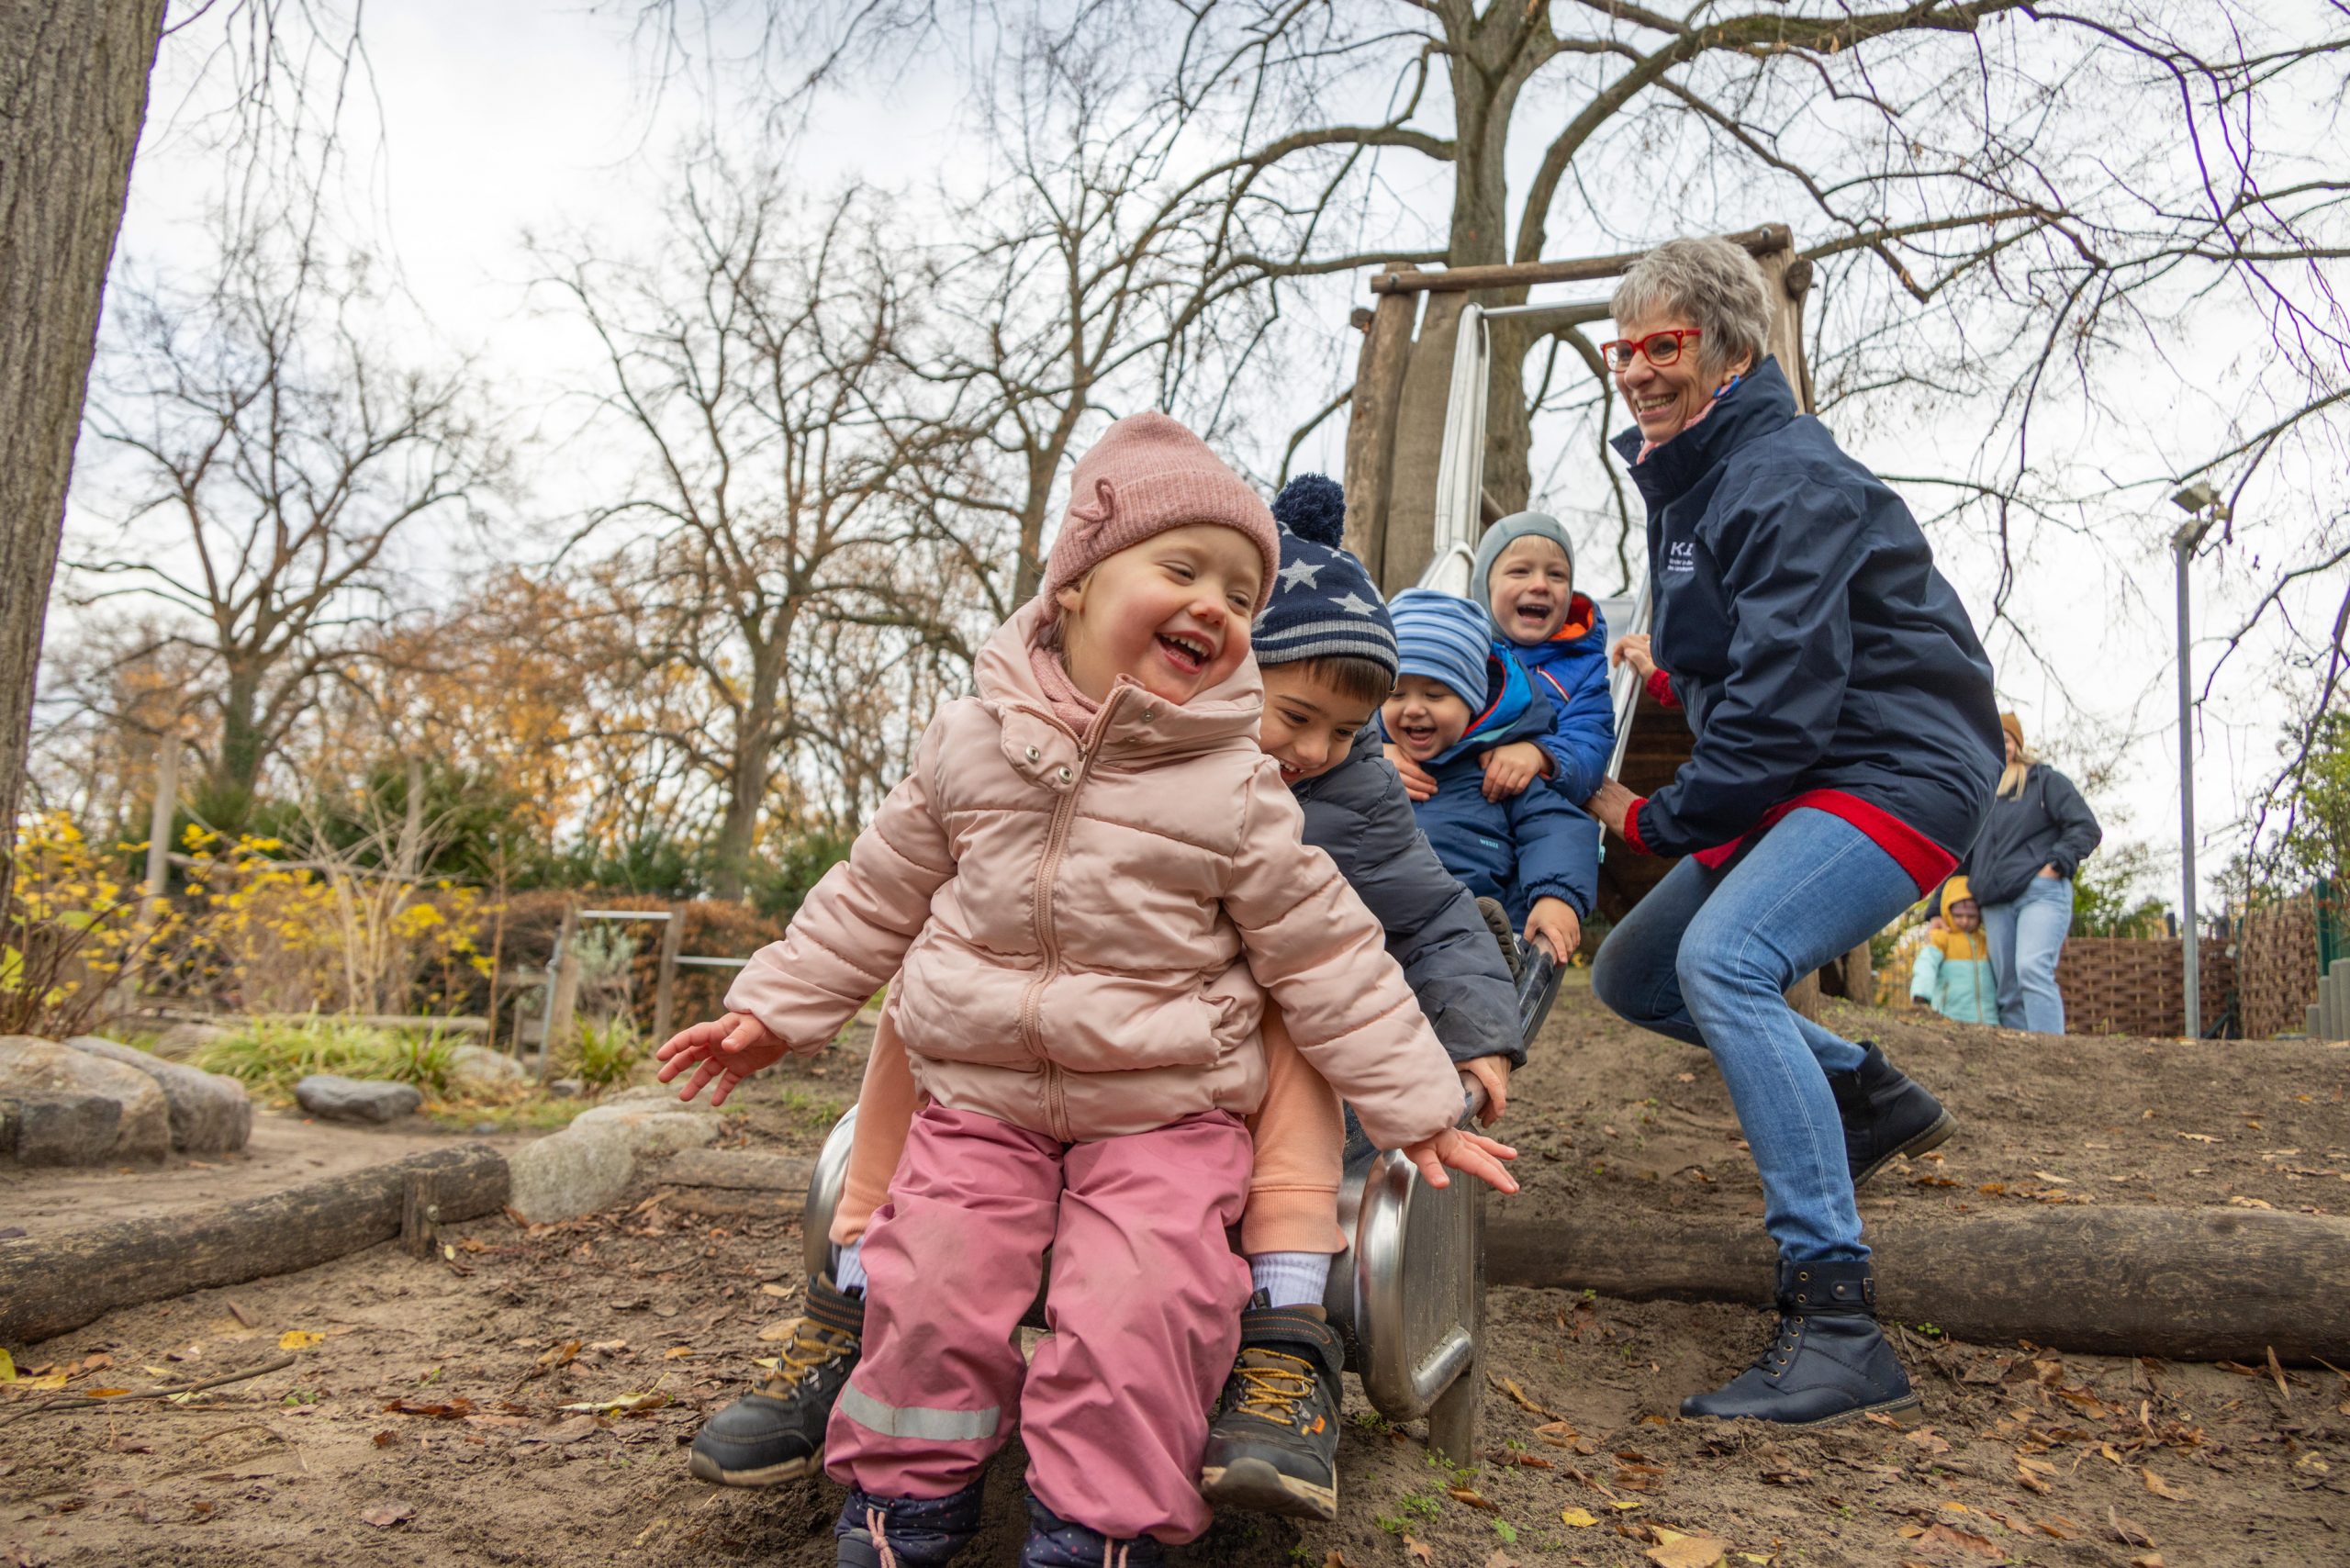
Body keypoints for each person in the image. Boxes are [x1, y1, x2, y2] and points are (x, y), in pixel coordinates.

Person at [654, 412, 1515, 1568]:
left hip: (1162, 1114)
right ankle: (901, 1514)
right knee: (936, 1276)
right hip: (983, 1105)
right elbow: (873, 890)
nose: (1215, 603)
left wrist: (1419, 1104)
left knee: (1141, 1303)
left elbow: (1328, 954)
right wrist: (775, 1006)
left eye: (1241, 594)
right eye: (1182, 569)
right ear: (1072, 588)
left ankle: (1099, 1534)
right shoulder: (969, 743)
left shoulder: (1236, 786)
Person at [1579, 236, 2000, 1427]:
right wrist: (1665, 677)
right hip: (1813, 764)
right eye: (1624, 349)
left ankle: (1838, 1317)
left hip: (1894, 767)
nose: (1637, 370)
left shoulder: (1779, 472)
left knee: (1729, 961)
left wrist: (1651, 816)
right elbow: (1745, 659)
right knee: (1640, 973)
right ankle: (1866, 1098)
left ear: (1730, 350)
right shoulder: (1694, 483)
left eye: (1664, 345)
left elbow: (1787, 698)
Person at [1382, 588, 1600, 966]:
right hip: (1374, 923)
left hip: (1468, 921)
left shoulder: (1500, 767)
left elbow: (1556, 829)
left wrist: (1556, 896)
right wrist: (1366, 756)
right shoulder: (1361, 761)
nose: (1413, 709)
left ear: (1473, 701)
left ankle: (1487, 953)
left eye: (1435, 695)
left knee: (1466, 953)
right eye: (1396, 694)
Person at [1963, 712, 2103, 1035]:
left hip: (2039, 893)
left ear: (2017, 743)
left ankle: (2050, 1053)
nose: (2001, 745)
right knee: (2007, 987)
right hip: (1994, 900)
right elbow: (1963, 856)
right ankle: (2022, 1062)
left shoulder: (2044, 781)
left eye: (2007, 739)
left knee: (2032, 970)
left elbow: (2085, 827)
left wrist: (2054, 866)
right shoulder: (1981, 791)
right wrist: (1938, 908)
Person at [1909, 877, 1998, 1025]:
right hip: (1950, 1018)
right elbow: (1926, 964)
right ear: (1947, 910)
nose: (1964, 921)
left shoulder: (1986, 940)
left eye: (1971, 916)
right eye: (1958, 915)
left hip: (1988, 1020)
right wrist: (1921, 992)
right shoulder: (1941, 938)